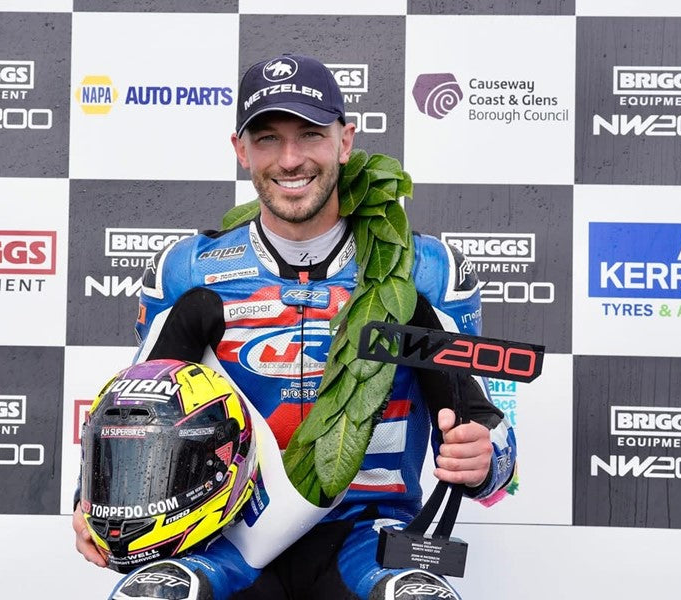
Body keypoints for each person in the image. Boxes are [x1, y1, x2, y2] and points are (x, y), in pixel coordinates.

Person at [73, 53, 517, 600]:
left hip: (369, 537)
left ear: (345, 141)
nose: (290, 159)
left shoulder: (423, 270)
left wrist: (483, 459)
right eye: (268, 139)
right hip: (223, 538)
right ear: (241, 150)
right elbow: (134, 410)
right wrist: (89, 502)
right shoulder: (188, 270)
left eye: (310, 134)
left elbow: (492, 436)